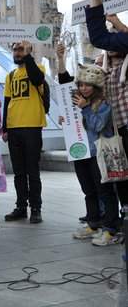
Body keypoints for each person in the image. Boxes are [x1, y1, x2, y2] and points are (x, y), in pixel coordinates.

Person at [84, 0, 128, 240]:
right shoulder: (106, 69)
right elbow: (100, 39)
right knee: (121, 181)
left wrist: (119, 24)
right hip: (118, 133)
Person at [56, 44, 104, 232]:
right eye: (81, 84)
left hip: (95, 151)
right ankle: (93, 221)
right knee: (88, 189)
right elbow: (64, 82)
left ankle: (106, 222)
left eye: (86, 84)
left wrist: (85, 108)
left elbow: (98, 125)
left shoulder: (102, 101)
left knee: (101, 189)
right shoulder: (76, 96)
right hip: (80, 150)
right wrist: (66, 119)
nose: (83, 87)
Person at [2, 41, 46, 224]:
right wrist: (5, 127)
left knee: (32, 171)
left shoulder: (39, 68)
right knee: (19, 171)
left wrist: (28, 55)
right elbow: (7, 101)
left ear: (28, 52)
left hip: (32, 126)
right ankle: (21, 206)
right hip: (14, 128)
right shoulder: (10, 75)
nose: (17, 53)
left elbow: (37, 80)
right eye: (15, 50)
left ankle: (36, 208)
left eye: (20, 50)